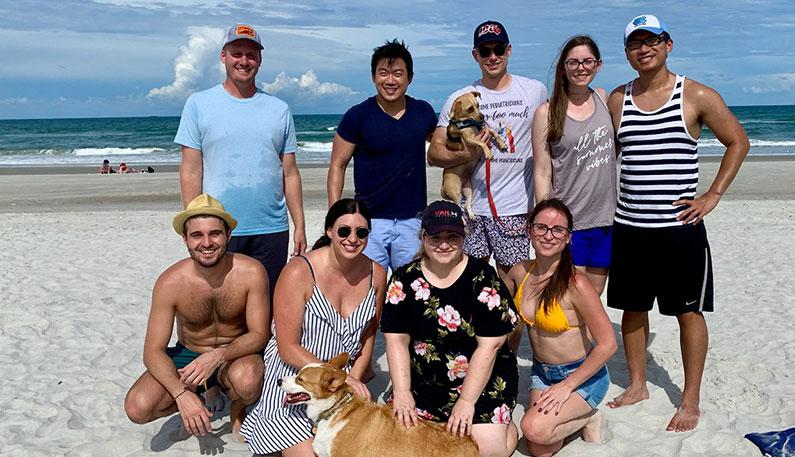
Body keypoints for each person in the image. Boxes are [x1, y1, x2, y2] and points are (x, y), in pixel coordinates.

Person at [605, 15, 749, 432]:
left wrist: (712, 195)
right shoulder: (618, 99)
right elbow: (605, 157)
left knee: (689, 312)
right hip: (629, 225)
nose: (644, 49)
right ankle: (637, 385)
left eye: (652, 41)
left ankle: (689, 399)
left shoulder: (697, 95)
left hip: (679, 230)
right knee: (632, 309)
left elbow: (738, 141)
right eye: (635, 43)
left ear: (668, 44)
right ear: (627, 52)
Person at [240, 199, 386, 457]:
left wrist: (355, 378)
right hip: (298, 376)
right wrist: (341, 378)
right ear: (329, 231)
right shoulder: (299, 271)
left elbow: (369, 333)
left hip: (341, 382)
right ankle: (283, 445)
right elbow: (287, 347)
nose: (353, 239)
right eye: (344, 231)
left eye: (361, 232)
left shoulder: (376, 273)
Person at [175, 23, 307, 302]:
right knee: (223, 303)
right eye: (237, 53)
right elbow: (190, 169)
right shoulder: (198, 104)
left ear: (259, 60)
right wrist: (193, 221)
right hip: (218, 227)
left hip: (271, 227)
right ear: (223, 56)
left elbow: (290, 173)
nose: (244, 61)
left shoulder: (279, 109)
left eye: (251, 55)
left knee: (266, 304)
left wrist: (300, 225)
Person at [381, 200, 519, 457]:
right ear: (423, 237)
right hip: (424, 380)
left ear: (463, 237)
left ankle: (504, 425)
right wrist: (402, 391)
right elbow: (396, 340)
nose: (443, 244)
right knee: (398, 440)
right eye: (435, 237)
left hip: (480, 379)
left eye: (452, 237)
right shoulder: (404, 278)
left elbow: (490, 346)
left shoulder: (483, 276)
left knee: (487, 450)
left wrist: (466, 401)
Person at [124, 193, 268, 439]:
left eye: (215, 234)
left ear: (228, 235)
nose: (207, 243)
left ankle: (237, 407)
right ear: (186, 240)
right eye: (197, 235)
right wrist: (181, 394)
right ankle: (198, 394)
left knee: (248, 381)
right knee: (138, 408)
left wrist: (218, 355)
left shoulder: (251, 272)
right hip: (190, 354)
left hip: (235, 354)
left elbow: (259, 334)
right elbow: (152, 351)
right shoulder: (170, 282)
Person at [427, 20, 548, 275]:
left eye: (498, 49)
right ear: (476, 55)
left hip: (515, 208)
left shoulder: (534, 91)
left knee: (512, 281)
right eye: (485, 51)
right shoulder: (460, 98)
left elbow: (554, 136)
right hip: (471, 208)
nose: (492, 57)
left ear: (509, 50)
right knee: (470, 280)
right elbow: (434, 154)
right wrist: (468, 153)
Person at [501, 199, 618, 457]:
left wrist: (566, 386)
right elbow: (501, 316)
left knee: (533, 428)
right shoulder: (520, 272)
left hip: (581, 375)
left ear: (568, 237)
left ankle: (590, 416)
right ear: (529, 231)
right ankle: (576, 419)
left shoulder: (577, 283)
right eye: (541, 227)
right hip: (542, 373)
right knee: (540, 449)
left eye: (558, 230)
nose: (548, 235)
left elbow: (608, 344)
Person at [327, 40, 438, 271]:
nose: (390, 80)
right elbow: (338, 164)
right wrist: (336, 215)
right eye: (383, 73)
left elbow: (442, 149)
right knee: (367, 285)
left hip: (413, 220)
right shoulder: (357, 116)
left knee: (410, 286)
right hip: (369, 221)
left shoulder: (423, 112)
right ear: (373, 77)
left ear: (410, 78)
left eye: (398, 73)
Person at [531, 35, 618, 295]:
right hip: (569, 222)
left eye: (587, 61)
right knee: (569, 295)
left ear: (598, 65)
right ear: (563, 67)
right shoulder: (546, 112)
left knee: (594, 295)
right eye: (573, 62)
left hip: (605, 220)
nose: (581, 68)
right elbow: (542, 171)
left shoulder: (603, 98)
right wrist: (544, 221)